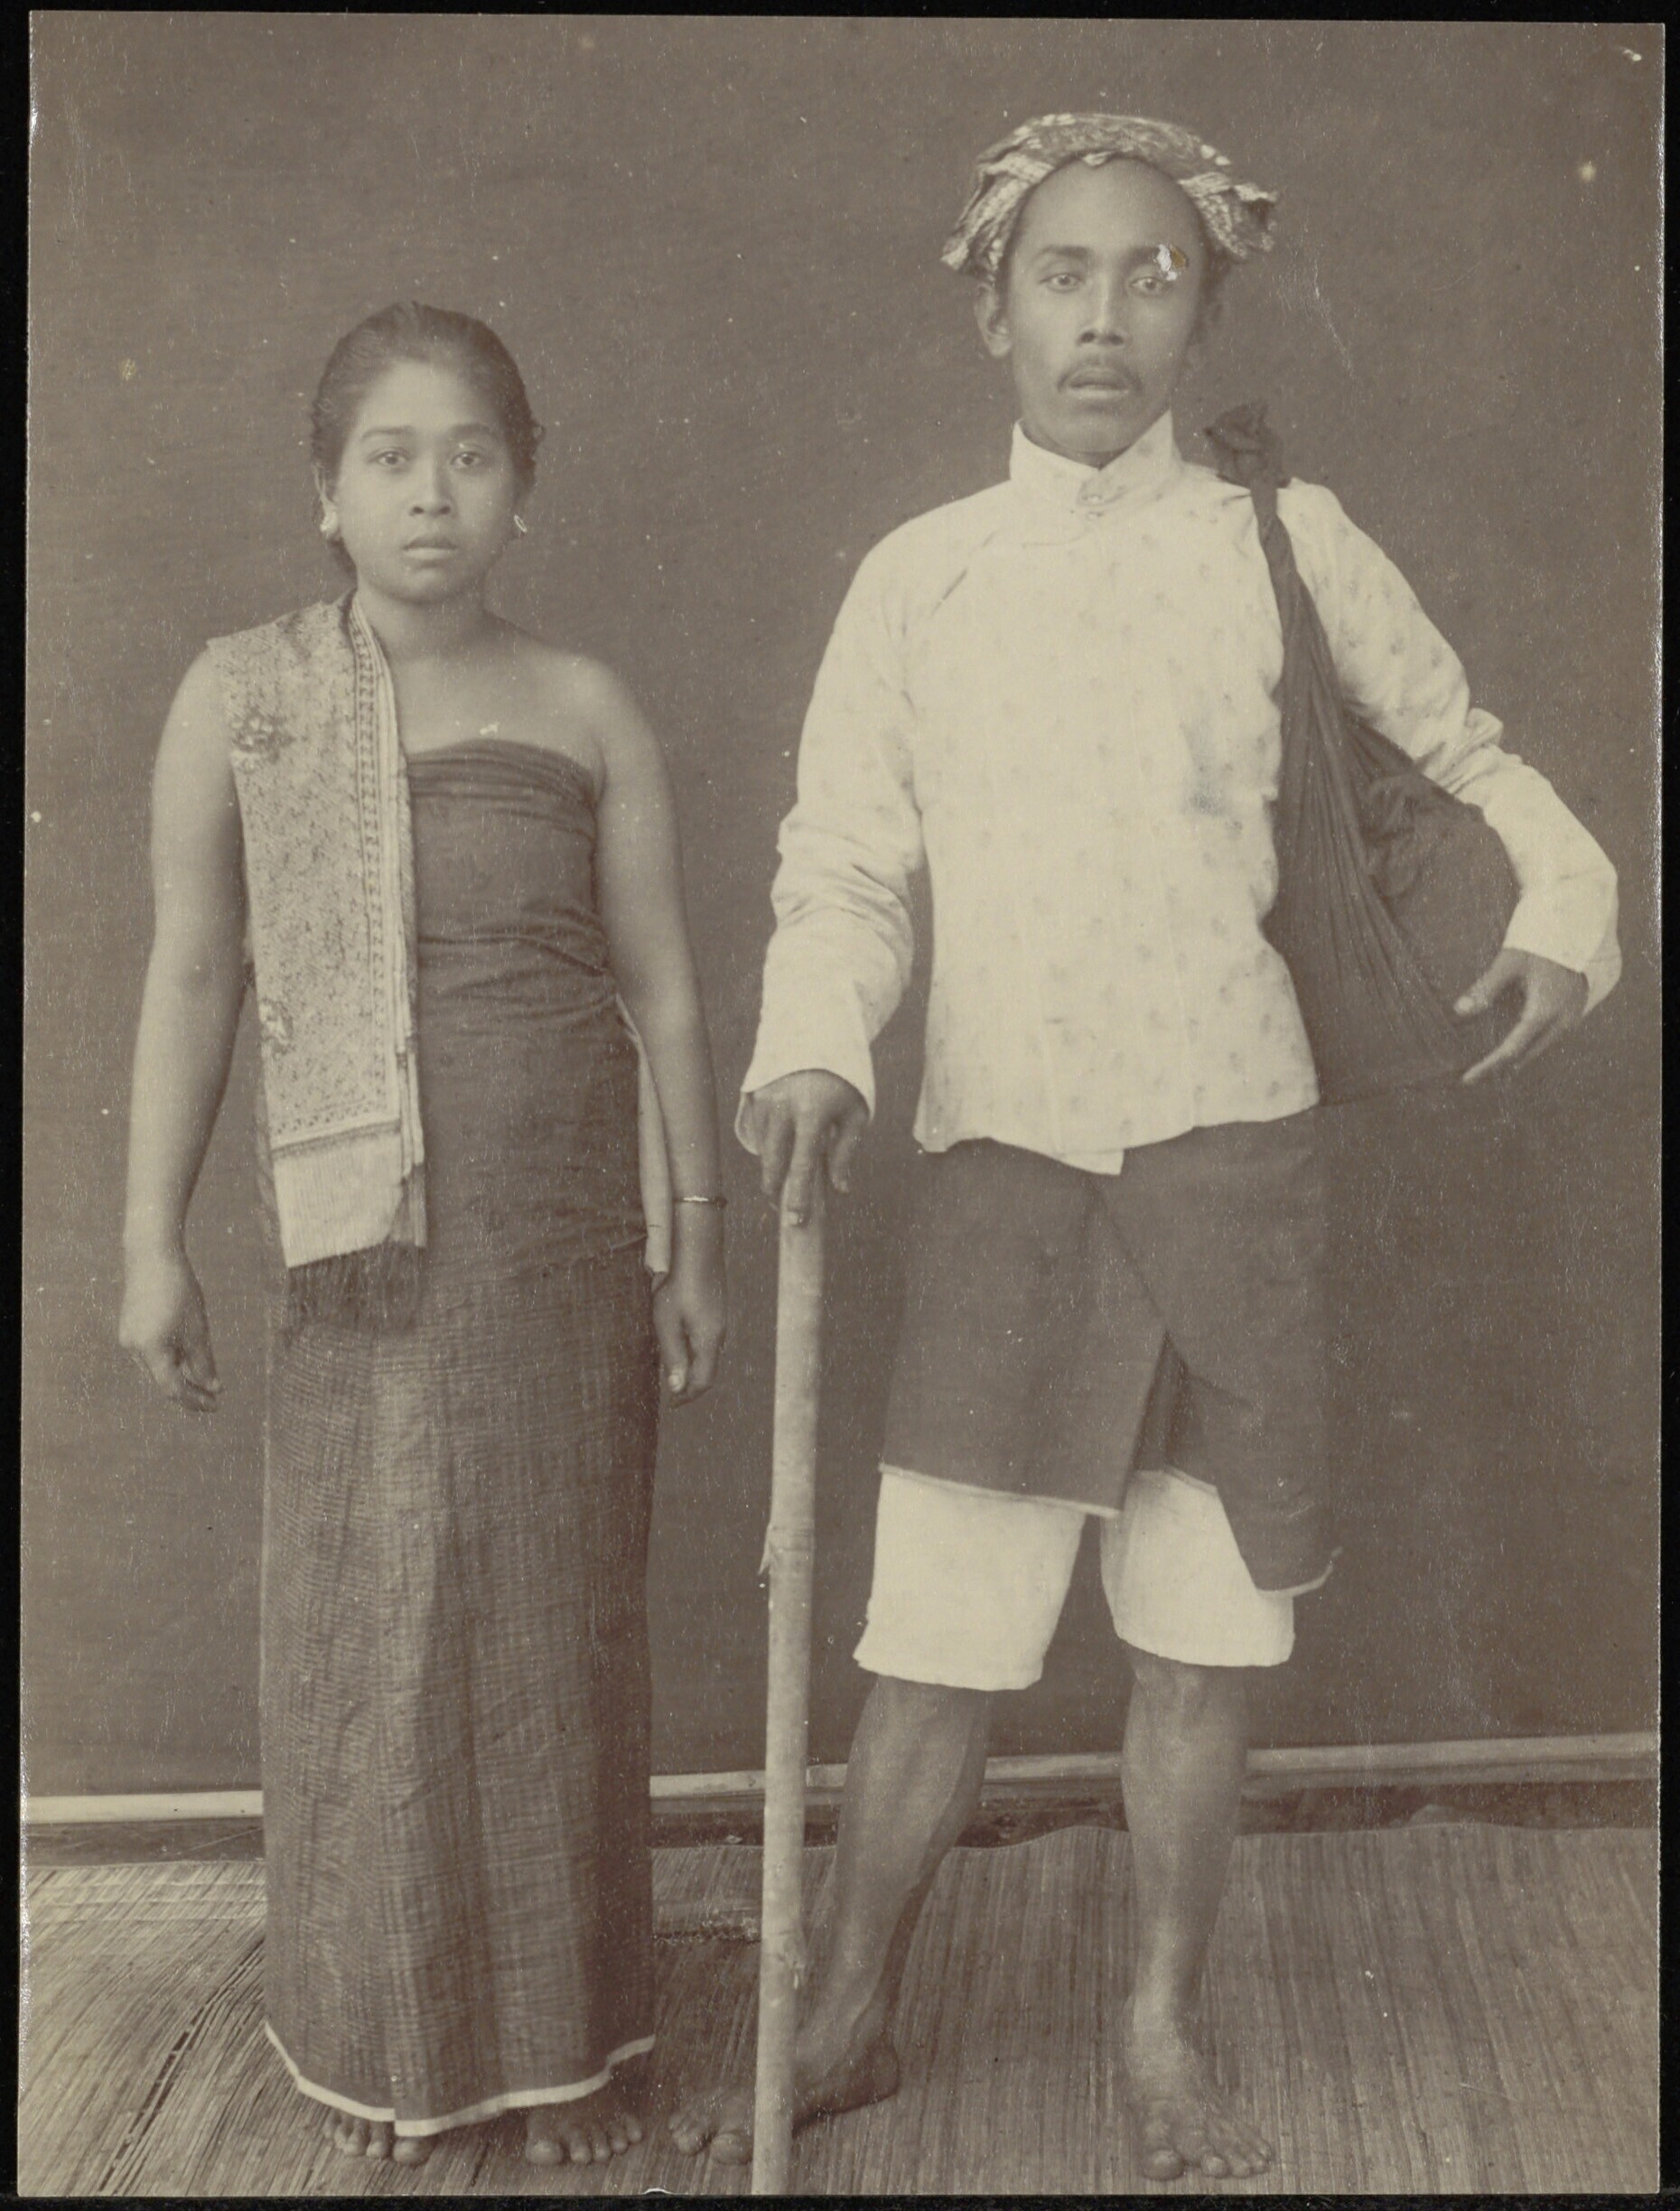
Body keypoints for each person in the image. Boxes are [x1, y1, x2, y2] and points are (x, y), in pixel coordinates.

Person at [671, 114, 1619, 2183]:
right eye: (1065, 275)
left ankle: (1165, 2024)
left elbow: (1462, 749)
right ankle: (844, 2006)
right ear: (993, 310)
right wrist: (815, 1047)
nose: (1106, 317)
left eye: (1154, 275)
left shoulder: (1286, 544)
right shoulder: (921, 576)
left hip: (1233, 1171)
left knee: (1200, 1640)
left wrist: (1567, 899)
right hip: (1009, 1173)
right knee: (935, 1651)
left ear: (1206, 310)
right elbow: (846, 862)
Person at [118, 303, 727, 2168]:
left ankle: (562, 2054)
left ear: (524, 486)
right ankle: (398, 2051)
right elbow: (195, 973)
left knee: (551, 1628)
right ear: (327, 491)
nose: (432, 495)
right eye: (389, 458)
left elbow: (664, 990)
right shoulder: (249, 700)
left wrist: (695, 1236)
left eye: (471, 455)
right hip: (359, 1245)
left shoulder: (586, 706)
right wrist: (148, 1240)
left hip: (562, 1248)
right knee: (377, 1635)